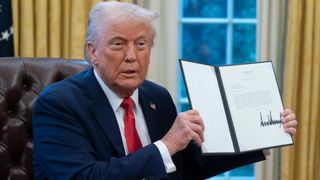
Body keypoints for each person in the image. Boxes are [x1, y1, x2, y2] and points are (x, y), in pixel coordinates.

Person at [33, 1, 298, 180]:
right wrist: (169, 143)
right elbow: (85, 176)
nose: (131, 56)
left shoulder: (156, 97)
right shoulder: (58, 104)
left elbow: (182, 166)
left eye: (141, 44)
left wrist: (261, 136)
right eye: (117, 44)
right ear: (93, 52)